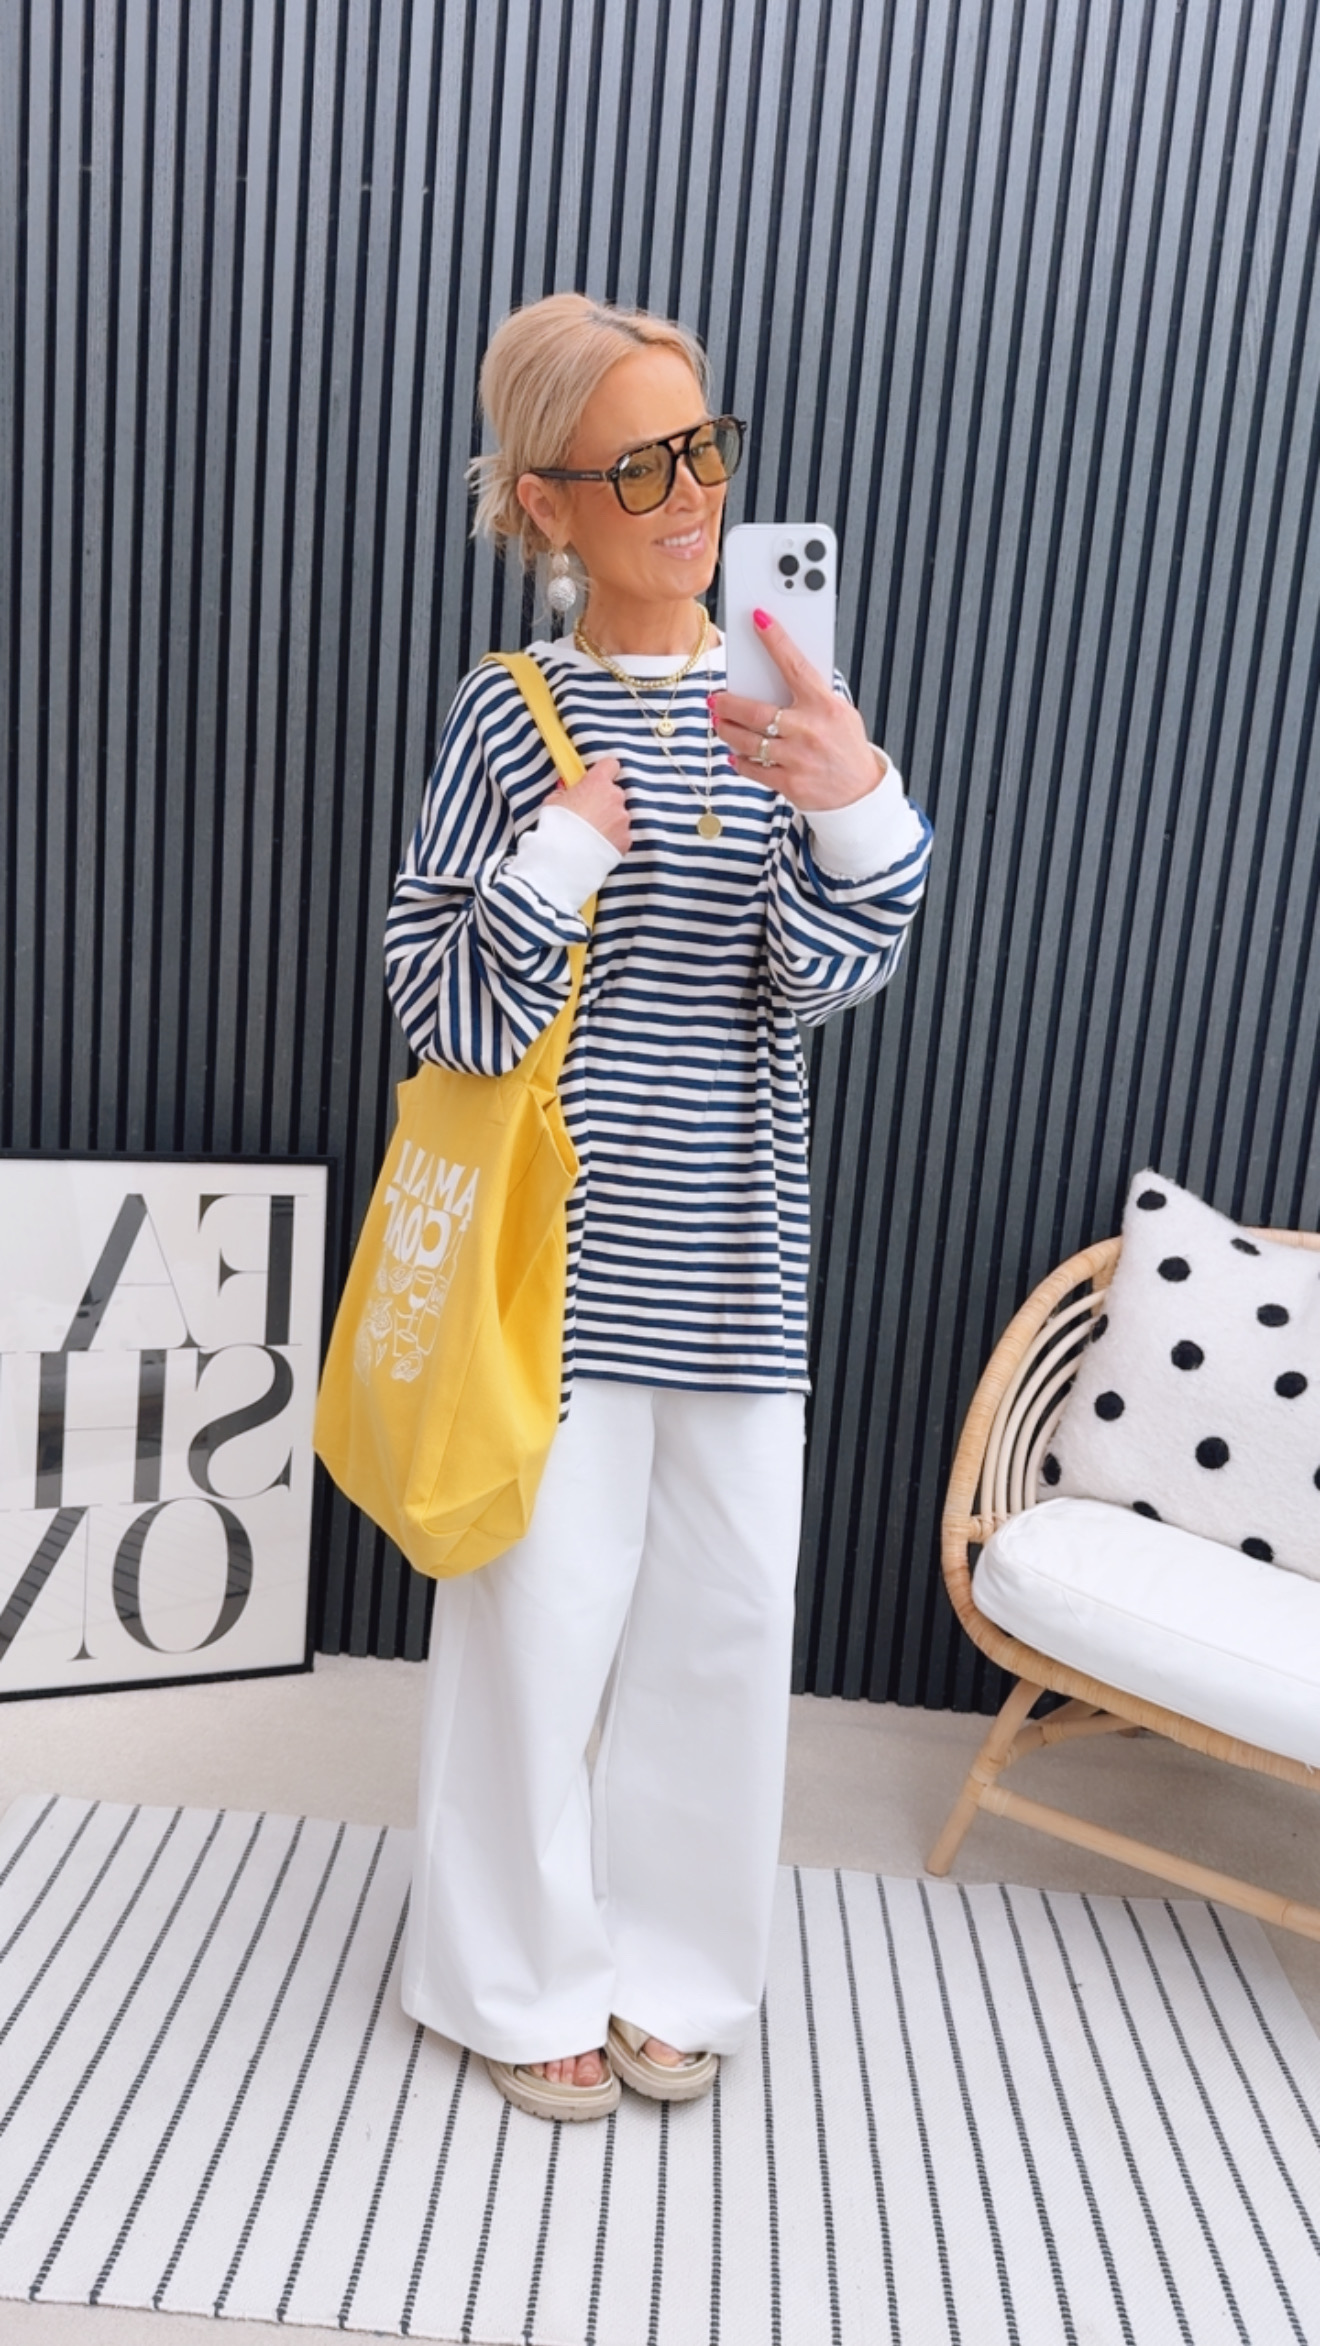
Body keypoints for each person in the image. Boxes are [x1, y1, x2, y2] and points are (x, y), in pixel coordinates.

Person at [385, 292, 932, 2121]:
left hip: (740, 1265)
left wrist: (854, 805)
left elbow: (814, 980)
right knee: (533, 1640)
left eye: (702, 448)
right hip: (547, 1278)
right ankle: (511, 1973)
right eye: (639, 465)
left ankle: (678, 1968)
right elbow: (442, 1005)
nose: (690, 494)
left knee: (723, 1632)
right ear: (544, 502)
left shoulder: (785, 696)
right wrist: (563, 849)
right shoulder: (508, 712)